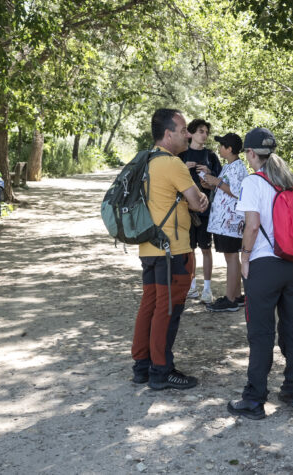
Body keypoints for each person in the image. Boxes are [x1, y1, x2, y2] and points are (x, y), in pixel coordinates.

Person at [227, 128, 293, 420]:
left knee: (261, 334)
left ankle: (254, 399)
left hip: (264, 265)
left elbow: (251, 225)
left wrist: (244, 256)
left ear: (250, 154)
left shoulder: (253, 182)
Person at [130, 109, 208, 391]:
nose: (187, 134)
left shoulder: (145, 160)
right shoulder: (173, 164)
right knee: (168, 311)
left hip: (149, 247)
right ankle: (161, 371)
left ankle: (141, 366)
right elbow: (198, 202)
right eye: (183, 129)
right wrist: (200, 197)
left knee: (149, 307)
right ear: (168, 134)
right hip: (173, 250)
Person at [202, 132, 248, 312]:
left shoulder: (238, 167)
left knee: (231, 258)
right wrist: (211, 184)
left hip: (230, 221)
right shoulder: (230, 166)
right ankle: (235, 296)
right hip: (223, 222)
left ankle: (230, 299)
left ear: (229, 149)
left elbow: (237, 192)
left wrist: (217, 182)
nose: (219, 148)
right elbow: (225, 187)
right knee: (231, 257)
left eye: (222, 145)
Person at [180, 118, 221, 304]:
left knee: (205, 248)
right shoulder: (180, 155)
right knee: (189, 250)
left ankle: (207, 288)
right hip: (184, 210)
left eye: (206, 132)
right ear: (191, 133)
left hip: (205, 210)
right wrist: (183, 168)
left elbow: (222, 185)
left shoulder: (211, 156)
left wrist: (209, 174)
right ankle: (191, 287)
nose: (204, 135)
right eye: (201, 131)